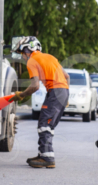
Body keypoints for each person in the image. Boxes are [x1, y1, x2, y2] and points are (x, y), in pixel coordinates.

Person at [11, 37, 70, 169]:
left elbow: (35, 86)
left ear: (27, 50)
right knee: (48, 124)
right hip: (63, 91)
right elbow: (67, 76)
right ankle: (43, 154)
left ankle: (47, 158)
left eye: (22, 53)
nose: (23, 57)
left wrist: (21, 95)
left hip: (55, 92)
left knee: (44, 124)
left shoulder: (32, 61)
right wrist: (66, 97)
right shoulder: (50, 57)